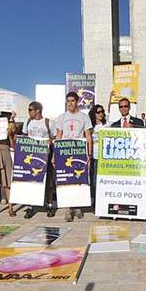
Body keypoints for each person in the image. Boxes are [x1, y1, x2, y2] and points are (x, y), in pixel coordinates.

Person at [55, 91, 93, 222]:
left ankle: (78, 207)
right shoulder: (61, 117)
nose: (69, 103)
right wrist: (55, 155)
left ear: (77, 102)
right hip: (64, 151)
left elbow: (88, 136)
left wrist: (89, 154)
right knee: (66, 180)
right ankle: (68, 208)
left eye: (72, 101)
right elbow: (58, 135)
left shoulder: (84, 117)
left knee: (78, 179)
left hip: (79, 150)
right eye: (68, 101)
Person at [22, 101, 56, 218]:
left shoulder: (48, 122)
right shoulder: (28, 122)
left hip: (45, 154)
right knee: (31, 181)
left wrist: (50, 142)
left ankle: (50, 205)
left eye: (30, 110)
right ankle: (31, 206)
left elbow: (55, 138)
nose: (29, 112)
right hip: (31, 155)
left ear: (37, 110)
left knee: (48, 182)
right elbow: (24, 137)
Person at [88, 104, 107, 206]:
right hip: (95, 157)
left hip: (106, 157)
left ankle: (104, 200)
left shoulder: (107, 125)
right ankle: (95, 200)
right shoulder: (91, 127)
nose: (101, 114)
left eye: (102, 112)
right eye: (98, 112)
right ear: (94, 114)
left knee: (105, 180)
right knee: (95, 180)